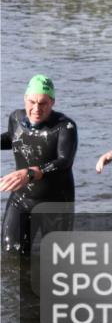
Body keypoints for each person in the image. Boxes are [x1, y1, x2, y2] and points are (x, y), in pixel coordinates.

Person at [1, 75, 77, 256]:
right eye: (32, 102)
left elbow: (64, 161)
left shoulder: (65, 127)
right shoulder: (16, 118)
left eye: (43, 103)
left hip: (56, 203)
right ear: (25, 99)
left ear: (52, 102)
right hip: (21, 199)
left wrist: (32, 172)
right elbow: (14, 138)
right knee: (11, 254)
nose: (36, 108)